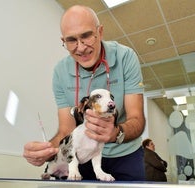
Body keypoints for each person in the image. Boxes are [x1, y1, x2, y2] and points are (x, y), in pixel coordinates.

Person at [23, 5, 146, 181]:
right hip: (83, 156)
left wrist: (115, 133)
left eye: (86, 36)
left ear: (100, 32)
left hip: (125, 155)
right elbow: (67, 130)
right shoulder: (60, 72)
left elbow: (137, 119)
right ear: (63, 40)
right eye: (71, 40)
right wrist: (46, 150)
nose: (80, 48)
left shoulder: (125, 57)